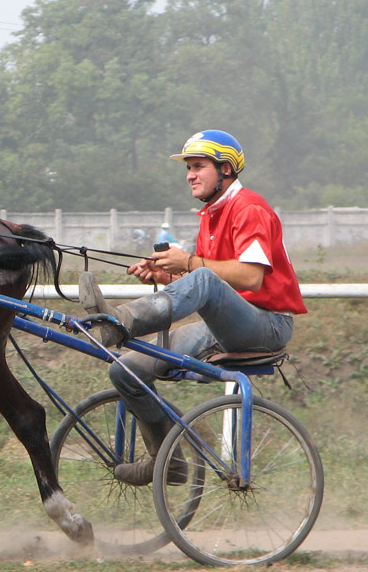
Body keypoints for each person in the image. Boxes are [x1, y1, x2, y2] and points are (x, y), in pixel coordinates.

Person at [79, 130, 307, 485]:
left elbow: (249, 277)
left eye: (198, 166)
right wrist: (166, 274)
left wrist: (188, 263)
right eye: (188, 168)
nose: (189, 175)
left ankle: (118, 323)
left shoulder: (249, 208)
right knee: (125, 370)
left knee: (202, 278)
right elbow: (208, 281)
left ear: (226, 169)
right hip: (223, 327)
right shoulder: (210, 215)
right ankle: (167, 462)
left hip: (267, 325)